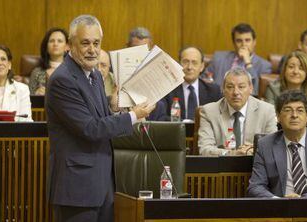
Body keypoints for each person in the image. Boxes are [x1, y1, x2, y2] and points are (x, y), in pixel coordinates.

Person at [46, 15, 155, 222]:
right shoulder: (62, 79)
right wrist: (133, 116)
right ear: (70, 45)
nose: (92, 50)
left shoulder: (94, 75)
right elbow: (90, 128)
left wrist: (112, 106)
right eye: (85, 43)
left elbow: (96, 113)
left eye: (96, 43)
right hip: (77, 188)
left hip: (102, 182)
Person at [198, 67, 277, 156]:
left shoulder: (267, 110)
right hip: (223, 167)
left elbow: (273, 147)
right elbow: (204, 149)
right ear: (223, 89)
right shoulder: (209, 111)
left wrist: (253, 151)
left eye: (241, 87)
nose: (235, 92)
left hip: (255, 166)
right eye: (230, 87)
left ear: (250, 88)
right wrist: (232, 153)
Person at [205, 23, 271, 94]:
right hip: (218, 99)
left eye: (247, 40)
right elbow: (204, 79)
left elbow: (256, 90)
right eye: (239, 41)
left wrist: (248, 63)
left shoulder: (264, 66)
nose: (243, 44)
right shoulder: (218, 57)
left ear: (254, 42)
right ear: (234, 43)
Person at [164, 46, 221, 120]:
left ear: (201, 67)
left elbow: (219, 118)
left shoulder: (213, 91)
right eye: (185, 62)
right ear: (178, 64)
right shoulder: (168, 91)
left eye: (194, 63)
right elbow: (162, 118)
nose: (189, 67)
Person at [28, 27, 69, 95]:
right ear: (46, 47)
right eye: (51, 41)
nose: (55, 44)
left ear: (67, 47)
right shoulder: (36, 72)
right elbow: (27, 99)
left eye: (60, 41)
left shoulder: (73, 71)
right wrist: (36, 94)